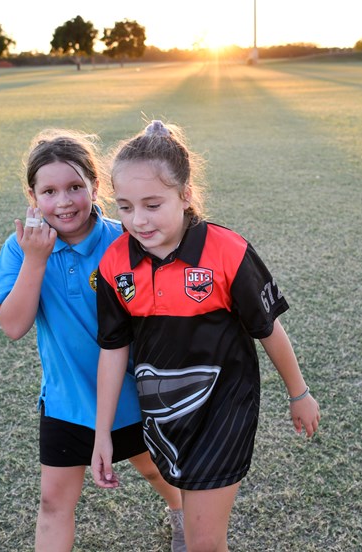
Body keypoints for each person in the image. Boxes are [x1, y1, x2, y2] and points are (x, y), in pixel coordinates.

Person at [91, 120, 321, 551]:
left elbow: (267, 329)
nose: (137, 220)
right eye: (124, 207)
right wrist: (102, 432)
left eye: (152, 204)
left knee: (205, 544)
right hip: (164, 417)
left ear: (186, 195)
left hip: (223, 412)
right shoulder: (113, 262)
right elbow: (113, 349)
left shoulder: (227, 251)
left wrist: (299, 393)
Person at [0, 129, 185, 552]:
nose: (64, 201)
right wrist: (37, 259)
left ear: (96, 186)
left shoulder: (126, 239)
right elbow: (13, 325)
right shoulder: (21, 248)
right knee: (54, 502)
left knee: (154, 471)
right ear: (32, 195)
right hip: (67, 400)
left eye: (75, 187)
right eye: (50, 191)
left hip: (135, 397)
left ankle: (180, 513)